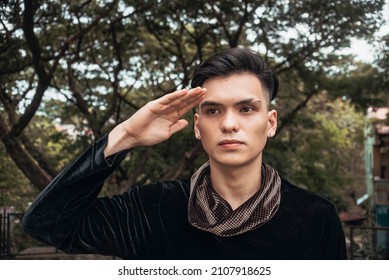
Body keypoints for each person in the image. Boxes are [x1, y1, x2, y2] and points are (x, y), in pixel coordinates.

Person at [22, 48, 347, 259]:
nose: (230, 124)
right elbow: (47, 224)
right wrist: (126, 135)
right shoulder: (152, 208)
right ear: (197, 125)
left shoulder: (315, 217)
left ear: (270, 122)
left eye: (247, 109)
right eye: (214, 111)